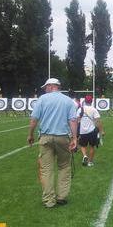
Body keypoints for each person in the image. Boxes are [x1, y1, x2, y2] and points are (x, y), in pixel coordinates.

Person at [27, 78, 78, 208]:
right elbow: (73, 120)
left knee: (46, 169)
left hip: (45, 137)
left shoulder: (42, 99)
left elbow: (34, 119)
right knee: (64, 166)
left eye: (46, 87)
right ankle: (62, 197)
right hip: (62, 137)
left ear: (51, 86)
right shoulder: (68, 101)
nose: (45, 89)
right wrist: (75, 138)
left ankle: (49, 200)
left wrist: (30, 134)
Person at [77, 94, 104, 166]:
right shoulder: (94, 109)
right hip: (92, 131)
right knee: (92, 146)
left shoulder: (80, 109)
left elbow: (77, 120)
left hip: (82, 131)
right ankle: (90, 162)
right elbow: (98, 121)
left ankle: (85, 156)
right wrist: (101, 131)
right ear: (91, 101)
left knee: (83, 146)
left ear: (85, 101)